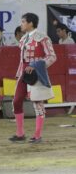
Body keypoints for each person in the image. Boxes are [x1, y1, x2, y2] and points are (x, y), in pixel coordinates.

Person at [9, 13, 57, 144]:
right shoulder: (24, 38)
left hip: (36, 73)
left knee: (37, 104)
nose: (21, 24)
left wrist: (35, 66)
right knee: (16, 101)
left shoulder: (43, 38)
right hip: (23, 72)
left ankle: (37, 135)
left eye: (23, 21)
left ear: (31, 23)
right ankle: (20, 134)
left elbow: (52, 57)